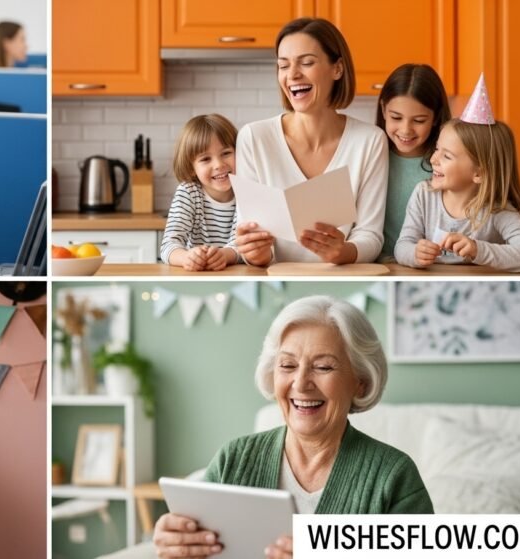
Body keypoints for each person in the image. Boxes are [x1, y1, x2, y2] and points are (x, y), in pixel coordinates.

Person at [153, 296, 433, 559]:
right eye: (287, 365)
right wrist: (178, 545)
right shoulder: (234, 459)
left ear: (359, 381)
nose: (300, 383)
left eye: (323, 367)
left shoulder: (393, 475)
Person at [234, 18, 388, 266]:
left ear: (337, 69)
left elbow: (370, 234)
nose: (293, 74)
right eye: (283, 66)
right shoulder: (255, 138)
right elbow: (252, 235)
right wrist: (256, 254)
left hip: (343, 281)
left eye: (306, 63)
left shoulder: (369, 142)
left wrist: (344, 252)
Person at [394, 75, 520, 273]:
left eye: (447, 156)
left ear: (479, 173)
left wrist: (479, 250)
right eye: (436, 149)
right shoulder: (424, 194)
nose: (433, 159)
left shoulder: (497, 211)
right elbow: (402, 246)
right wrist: (414, 253)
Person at [375, 64, 451, 262]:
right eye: (396, 117)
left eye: (418, 120)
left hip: (432, 266)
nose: (405, 130)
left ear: (435, 118)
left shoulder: (446, 167)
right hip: (379, 265)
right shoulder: (371, 157)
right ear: (383, 110)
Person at [160, 114, 240, 271]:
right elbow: (168, 245)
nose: (218, 164)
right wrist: (186, 257)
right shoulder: (189, 192)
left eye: (226, 153)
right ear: (191, 168)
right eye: (205, 159)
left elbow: (244, 246)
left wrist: (224, 255)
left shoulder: (247, 191)